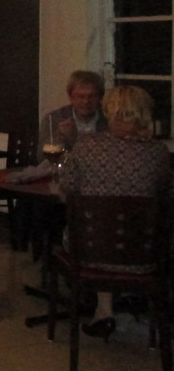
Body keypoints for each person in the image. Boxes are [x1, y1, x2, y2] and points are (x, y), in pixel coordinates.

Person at [59, 84, 170, 341]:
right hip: (141, 252)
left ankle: (104, 310)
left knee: (97, 230)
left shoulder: (87, 146)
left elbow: (67, 191)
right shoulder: (158, 153)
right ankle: (133, 299)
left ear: (110, 111)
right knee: (129, 233)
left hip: (89, 250)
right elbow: (164, 192)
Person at [39, 70, 107, 158]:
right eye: (80, 96)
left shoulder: (109, 120)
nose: (86, 101)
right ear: (70, 97)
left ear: (100, 98)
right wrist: (59, 136)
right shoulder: (53, 119)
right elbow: (40, 157)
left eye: (92, 96)